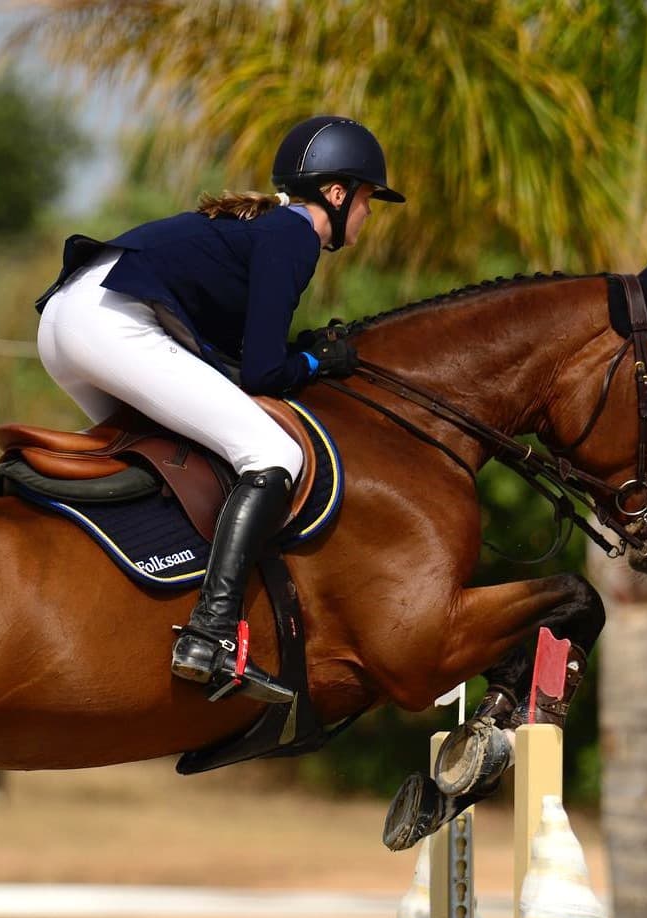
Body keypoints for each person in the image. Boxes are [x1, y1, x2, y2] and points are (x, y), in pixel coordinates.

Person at [36, 115, 405, 703]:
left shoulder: (265, 228)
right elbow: (263, 374)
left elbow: (240, 362)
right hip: (111, 320)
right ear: (336, 195)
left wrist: (298, 354)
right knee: (273, 451)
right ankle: (210, 634)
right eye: (367, 200)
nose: (367, 215)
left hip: (68, 319)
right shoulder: (294, 236)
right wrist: (315, 363)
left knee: (171, 453)